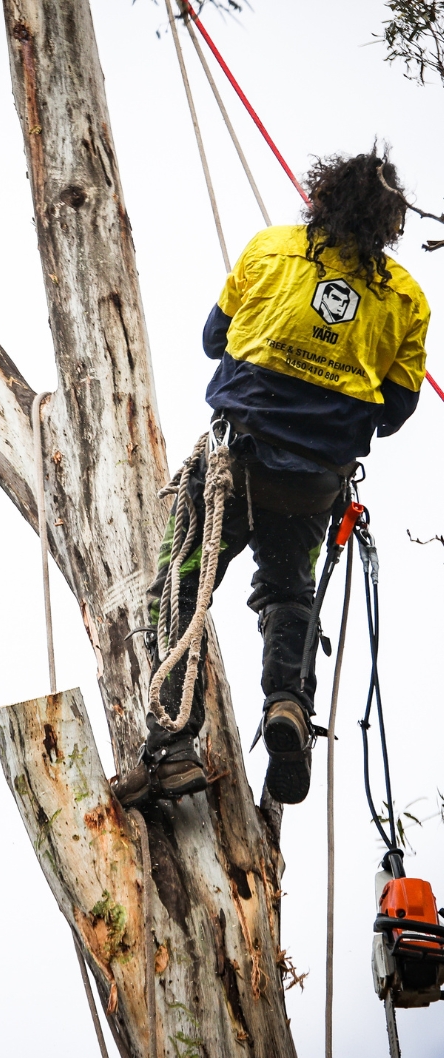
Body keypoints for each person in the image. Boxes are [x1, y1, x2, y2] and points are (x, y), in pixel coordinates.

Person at [113, 148, 430, 809]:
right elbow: (397, 410)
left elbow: (213, 337)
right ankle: (287, 704)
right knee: (288, 591)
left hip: (237, 464)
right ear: (390, 224)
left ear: (319, 197)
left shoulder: (272, 249)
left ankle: (171, 749)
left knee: (177, 587)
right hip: (314, 483)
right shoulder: (404, 297)